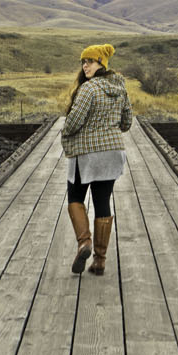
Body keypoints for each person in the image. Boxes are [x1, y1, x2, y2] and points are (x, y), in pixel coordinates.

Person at [61, 43, 133, 276]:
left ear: (101, 63)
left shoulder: (88, 89)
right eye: (83, 62)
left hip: (87, 154)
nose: (85, 66)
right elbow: (127, 123)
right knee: (102, 203)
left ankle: (84, 243)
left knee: (75, 197)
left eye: (89, 61)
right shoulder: (120, 88)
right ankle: (99, 261)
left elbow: (73, 122)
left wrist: (66, 134)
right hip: (112, 154)